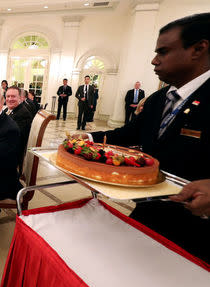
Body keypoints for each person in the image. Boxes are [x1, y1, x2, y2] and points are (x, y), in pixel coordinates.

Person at [85, 13, 210, 263]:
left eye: (163, 52)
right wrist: (87, 138)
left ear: (198, 49)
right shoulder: (159, 99)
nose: (154, 60)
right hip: (150, 213)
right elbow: (128, 134)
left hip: (199, 235)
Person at [3, 86, 33, 170]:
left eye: (13, 96)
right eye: (8, 96)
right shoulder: (7, 110)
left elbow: (12, 138)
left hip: (11, 152)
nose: (10, 99)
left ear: (20, 98)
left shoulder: (23, 114)